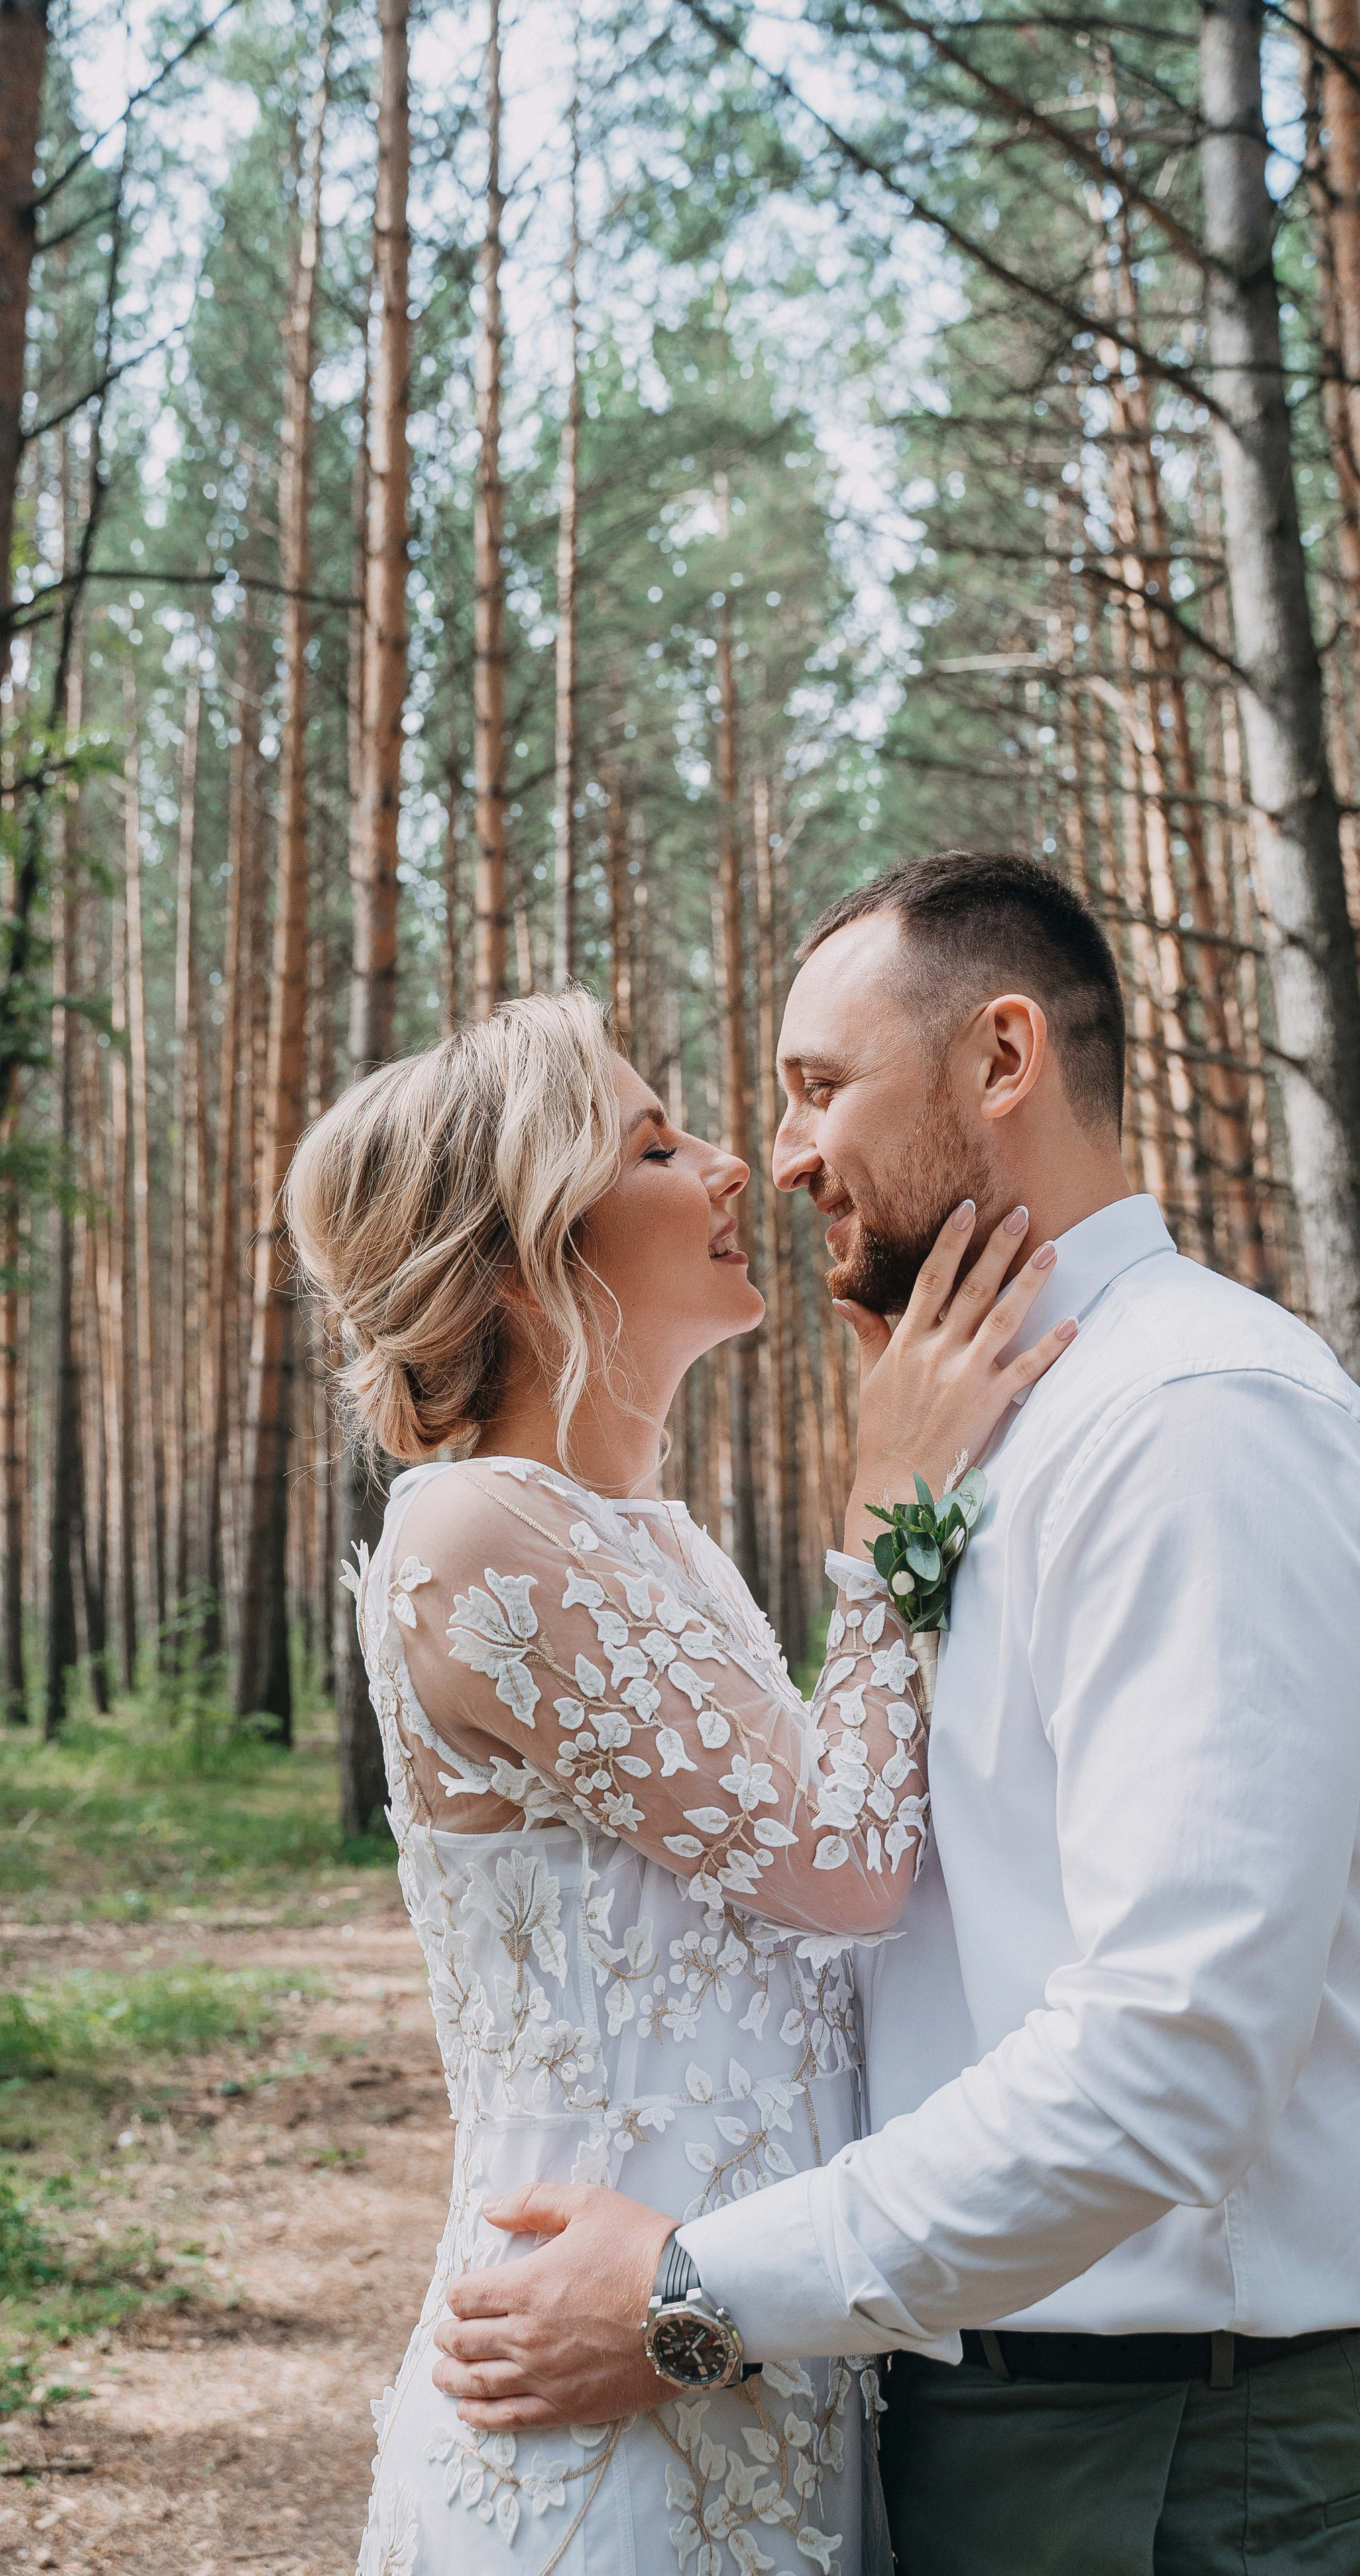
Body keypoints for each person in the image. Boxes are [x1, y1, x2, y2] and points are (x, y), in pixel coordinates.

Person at [430, 853, 1360, 2576]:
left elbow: (1168, 2055)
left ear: (999, 1059)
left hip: (1169, 2452)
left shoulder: (1194, 1427)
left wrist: (695, 2292)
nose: (788, 1152)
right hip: (967, 2403)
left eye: (820, 1086)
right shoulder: (1007, 1430)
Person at [282, 982, 1074, 2576]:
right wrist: (890, 1504)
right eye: (657, 1142)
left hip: (736, 2342)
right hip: (595, 2403)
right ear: (524, 1243)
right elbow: (841, 1867)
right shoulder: (471, 1532)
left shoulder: (649, 1536)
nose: (730, 1170)